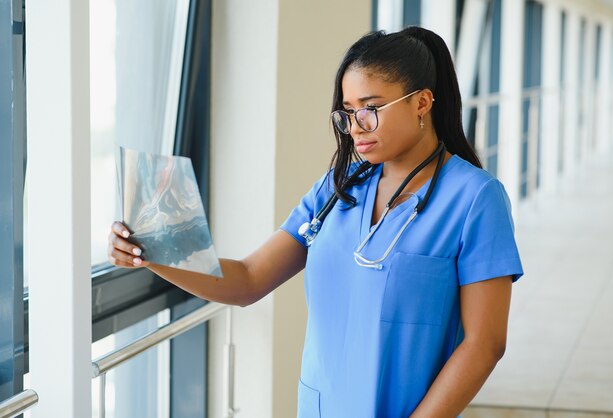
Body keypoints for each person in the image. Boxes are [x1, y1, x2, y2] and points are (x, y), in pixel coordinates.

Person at [109, 26, 523, 418]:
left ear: (422, 102)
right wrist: (150, 251)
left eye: (371, 109)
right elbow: (248, 279)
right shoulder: (340, 187)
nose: (356, 127)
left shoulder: (475, 200)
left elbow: (484, 344)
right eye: (347, 112)